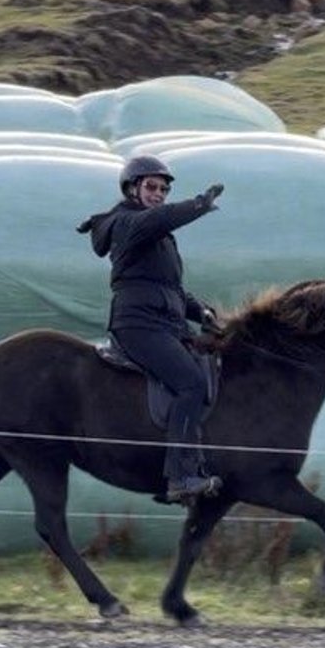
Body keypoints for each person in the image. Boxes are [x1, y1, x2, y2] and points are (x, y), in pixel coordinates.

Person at [76, 155, 225, 503]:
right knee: (191, 384)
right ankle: (180, 476)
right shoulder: (129, 224)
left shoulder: (160, 238)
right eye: (152, 187)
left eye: (164, 189)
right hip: (138, 326)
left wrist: (201, 311)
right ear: (132, 189)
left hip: (164, 324)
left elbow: (170, 288)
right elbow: (160, 218)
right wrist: (199, 205)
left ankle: (197, 462)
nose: (159, 194)